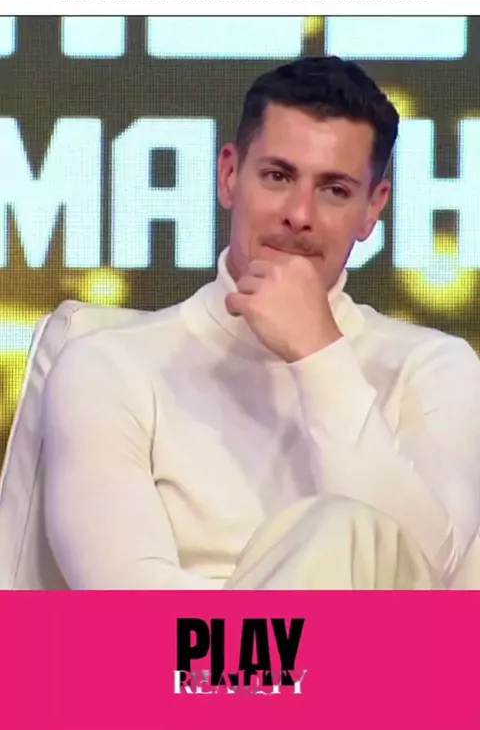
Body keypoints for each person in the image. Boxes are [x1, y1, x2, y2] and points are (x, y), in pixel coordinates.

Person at [41, 55, 480, 591]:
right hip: (186, 649)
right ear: (229, 175)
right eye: (278, 176)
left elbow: (432, 585)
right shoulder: (109, 365)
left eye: (335, 190)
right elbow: (128, 602)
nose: (300, 214)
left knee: (345, 527)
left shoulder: (432, 367)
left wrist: (319, 354)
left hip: (380, 649)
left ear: (372, 209)